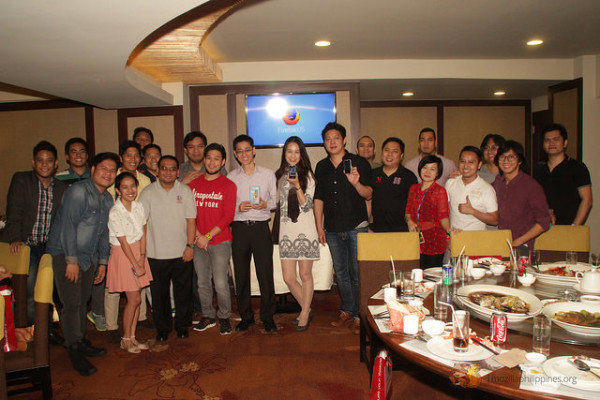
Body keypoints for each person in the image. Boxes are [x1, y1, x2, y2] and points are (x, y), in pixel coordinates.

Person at [47, 152, 119, 376]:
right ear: (93, 169)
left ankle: (81, 339)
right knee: (71, 303)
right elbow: (68, 227)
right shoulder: (78, 192)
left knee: (82, 301)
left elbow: (104, 233)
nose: (108, 173)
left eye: (112, 170)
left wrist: (103, 262)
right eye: (103, 168)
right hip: (66, 255)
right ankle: (74, 348)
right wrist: (71, 261)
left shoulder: (107, 198)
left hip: (88, 257)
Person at [2, 141, 67, 339]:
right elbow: (14, 211)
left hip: (48, 246)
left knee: (48, 289)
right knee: (28, 289)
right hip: (25, 246)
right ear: (33, 162)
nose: (44, 164)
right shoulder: (22, 180)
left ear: (56, 163)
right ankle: (30, 333)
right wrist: (16, 238)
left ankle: (46, 329)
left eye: (49, 161)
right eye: (40, 160)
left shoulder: (62, 188)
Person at [314, 122, 372, 335]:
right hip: (332, 228)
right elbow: (318, 198)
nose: (332, 142)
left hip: (356, 226)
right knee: (341, 273)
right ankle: (347, 310)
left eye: (336, 137)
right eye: (328, 138)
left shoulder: (359, 163)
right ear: (324, 143)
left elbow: (368, 194)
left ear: (344, 140)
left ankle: (359, 315)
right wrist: (319, 227)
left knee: (357, 272)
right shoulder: (321, 166)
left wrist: (356, 183)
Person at [139, 155, 196, 341]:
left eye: (172, 169)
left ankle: (181, 326)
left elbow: (191, 221)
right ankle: (162, 329)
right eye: (164, 168)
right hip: (156, 253)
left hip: (181, 252)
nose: (168, 172)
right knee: (158, 295)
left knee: (183, 293)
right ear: (157, 171)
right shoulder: (147, 193)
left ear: (178, 172)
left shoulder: (185, 191)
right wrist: (143, 251)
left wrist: (189, 245)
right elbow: (143, 224)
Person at [102, 140, 152, 342]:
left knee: (137, 299)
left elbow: (143, 231)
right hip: (124, 256)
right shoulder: (115, 211)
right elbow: (122, 242)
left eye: (133, 186)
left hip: (138, 253)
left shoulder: (138, 206)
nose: (130, 190)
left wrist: (142, 256)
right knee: (133, 299)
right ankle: (126, 338)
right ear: (117, 190)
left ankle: (131, 337)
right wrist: (136, 263)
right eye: (125, 187)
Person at [228, 135, 277, 333]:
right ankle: (246, 316)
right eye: (239, 151)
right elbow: (226, 209)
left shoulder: (267, 174)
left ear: (254, 150)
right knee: (241, 275)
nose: (244, 154)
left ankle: (268, 317)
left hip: (260, 228)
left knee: (265, 274)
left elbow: (275, 201)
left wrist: (266, 204)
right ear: (235, 154)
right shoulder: (230, 178)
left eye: (247, 150)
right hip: (239, 229)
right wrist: (237, 208)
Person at [188, 143, 236, 335]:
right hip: (198, 241)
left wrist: (207, 236)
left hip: (220, 241)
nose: (212, 161)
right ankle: (208, 315)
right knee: (202, 282)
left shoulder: (228, 185)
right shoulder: (194, 185)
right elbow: (188, 213)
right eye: (209, 157)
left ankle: (224, 316)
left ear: (223, 161)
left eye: (217, 158)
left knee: (221, 282)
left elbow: (228, 216)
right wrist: (199, 236)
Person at [275, 136, 319, 331]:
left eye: (296, 151)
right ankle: (307, 308)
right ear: (284, 154)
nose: (292, 155)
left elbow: (307, 205)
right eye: (289, 151)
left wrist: (296, 184)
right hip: (286, 232)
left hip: (305, 230)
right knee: (288, 277)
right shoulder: (279, 175)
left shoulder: (308, 175)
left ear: (301, 154)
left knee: (305, 274)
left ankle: (303, 314)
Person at [492, 141, 551, 249]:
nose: (506, 161)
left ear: (520, 160)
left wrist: (518, 242)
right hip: (501, 243)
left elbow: (544, 222)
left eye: (511, 157)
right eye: (502, 156)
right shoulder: (498, 182)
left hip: (521, 246)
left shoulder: (531, 186)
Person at [534, 123, 592, 225]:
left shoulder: (577, 167)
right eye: (547, 140)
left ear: (565, 143)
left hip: (569, 226)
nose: (551, 143)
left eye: (556, 139)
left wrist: (574, 227)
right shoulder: (539, 168)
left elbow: (587, 200)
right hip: (542, 227)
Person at [405, 155, 450, 268]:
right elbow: (408, 211)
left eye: (432, 169)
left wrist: (449, 230)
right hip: (415, 238)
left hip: (434, 239)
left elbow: (443, 215)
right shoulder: (413, 188)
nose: (427, 171)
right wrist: (409, 221)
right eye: (425, 167)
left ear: (438, 173)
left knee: (431, 276)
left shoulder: (440, 191)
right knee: (416, 274)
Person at [370, 137, 418, 232]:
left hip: (402, 229)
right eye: (386, 150)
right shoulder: (373, 174)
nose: (389, 154)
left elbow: (414, 203)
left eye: (395, 151)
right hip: (377, 230)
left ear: (401, 156)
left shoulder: (409, 176)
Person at [445, 146, 498, 231]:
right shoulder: (451, 183)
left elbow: (495, 220)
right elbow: (445, 212)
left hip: (476, 239)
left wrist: (472, 211)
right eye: (462, 161)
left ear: (479, 165)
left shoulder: (487, 189)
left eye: (471, 162)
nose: (466, 166)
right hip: (454, 238)